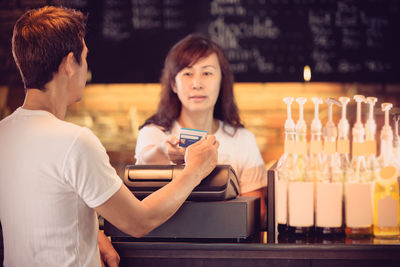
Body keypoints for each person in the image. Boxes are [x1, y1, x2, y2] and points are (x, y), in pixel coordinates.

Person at [0, 6, 219, 267]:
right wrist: (195, 169)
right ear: (70, 63)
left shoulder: (4, 133)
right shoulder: (75, 141)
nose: (86, 68)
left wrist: (94, 232)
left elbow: (44, 210)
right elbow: (138, 221)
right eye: (85, 57)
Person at [135, 34, 268, 224]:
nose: (197, 84)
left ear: (222, 81)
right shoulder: (154, 133)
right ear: (173, 83)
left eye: (207, 73)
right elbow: (146, 159)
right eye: (187, 73)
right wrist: (166, 151)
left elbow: (257, 214)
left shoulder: (242, 139)